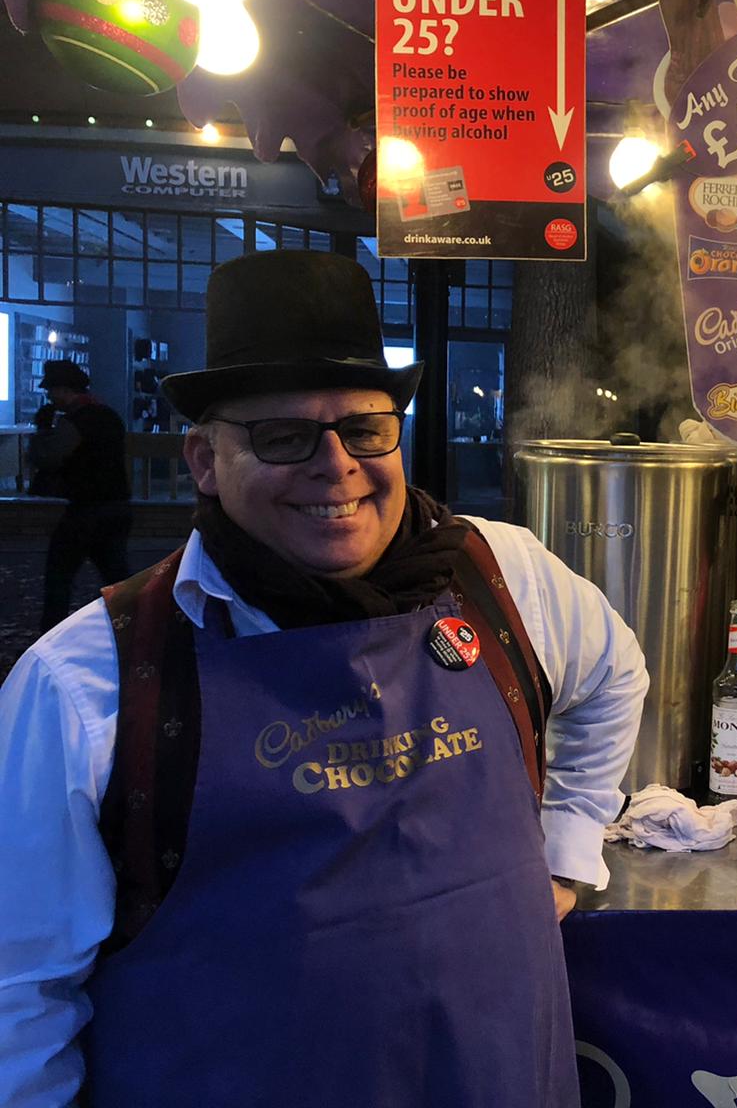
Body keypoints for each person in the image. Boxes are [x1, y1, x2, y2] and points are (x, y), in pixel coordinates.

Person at [0, 251, 648, 1107]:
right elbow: (21, 1000)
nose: (336, 465)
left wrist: (563, 853)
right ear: (203, 460)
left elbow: (614, 674)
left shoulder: (502, 575)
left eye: (365, 428)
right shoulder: (87, 680)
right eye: (283, 436)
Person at [30, 359, 132, 631]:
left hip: (86, 509)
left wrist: (42, 430)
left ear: (64, 390)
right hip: (117, 505)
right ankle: (135, 629)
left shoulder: (74, 422)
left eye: (52, 391)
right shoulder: (109, 415)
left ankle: (50, 634)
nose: (50, 397)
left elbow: (48, 458)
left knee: (58, 577)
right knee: (117, 577)